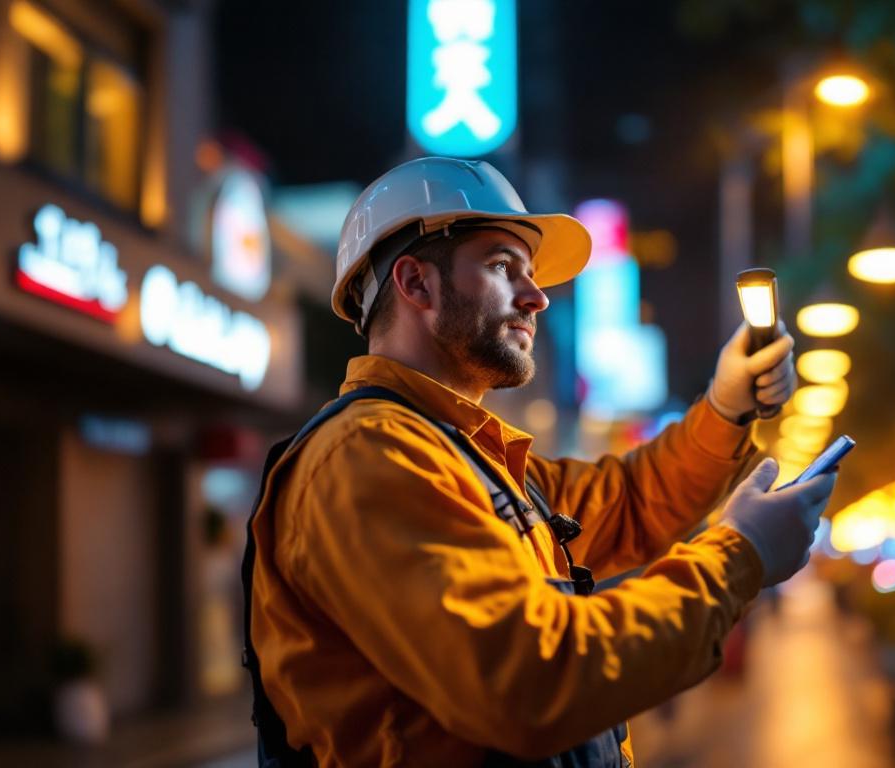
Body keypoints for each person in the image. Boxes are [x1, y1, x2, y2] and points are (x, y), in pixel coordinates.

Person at [242, 157, 837, 767]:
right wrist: (739, 555)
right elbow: (527, 682)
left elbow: (630, 501)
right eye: (503, 267)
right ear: (415, 283)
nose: (537, 298)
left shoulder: (464, 455)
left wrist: (724, 406)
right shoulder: (368, 459)